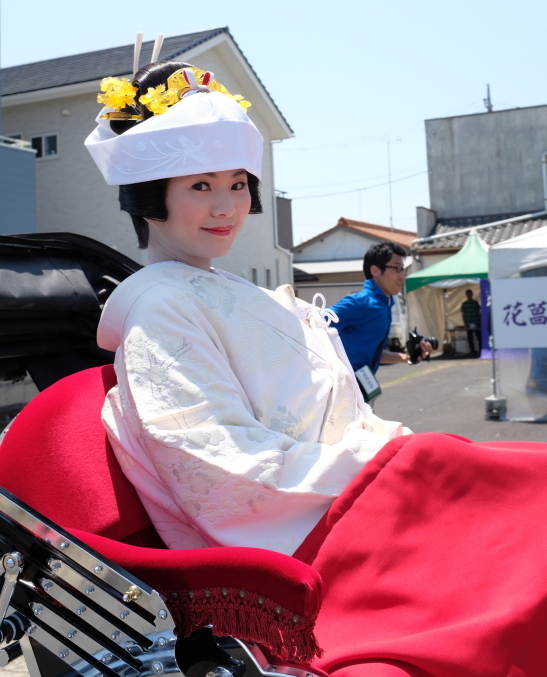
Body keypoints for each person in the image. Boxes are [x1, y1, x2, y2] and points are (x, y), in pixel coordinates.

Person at [84, 36, 547, 676]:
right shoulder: (160, 307)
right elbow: (211, 459)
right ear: (146, 197)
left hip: (359, 483)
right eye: (199, 185)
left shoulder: (225, 291)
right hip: (328, 525)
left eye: (239, 184)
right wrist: (379, 466)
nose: (226, 206)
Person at [330, 242, 432, 395]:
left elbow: (375, 353)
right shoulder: (359, 302)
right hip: (340, 393)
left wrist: (408, 357)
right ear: (375, 270)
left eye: (403, 269)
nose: (402, 275)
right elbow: (314, 323)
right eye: (397, 268)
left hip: (358, 392)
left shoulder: (385, 304)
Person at [461, 288, 481, 355]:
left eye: (470, 294)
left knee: (479, 337)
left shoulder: (475, 303)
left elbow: (479, 313)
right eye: (467, 294)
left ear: (472, 294)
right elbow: (463, 314)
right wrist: (464, 323)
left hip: (476, 322)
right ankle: (472, 351)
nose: (469, 295)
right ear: (466, 295)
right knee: (470, 338)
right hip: (468, 323)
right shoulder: (464, 304)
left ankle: (481, 350)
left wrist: (480, 322)